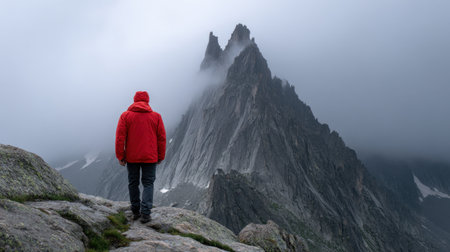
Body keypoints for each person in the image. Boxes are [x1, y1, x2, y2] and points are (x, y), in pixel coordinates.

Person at [115, 91, 166, 223]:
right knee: (148, 183)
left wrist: (120, 156)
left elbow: (120, 138)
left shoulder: (125, 116)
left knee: (133, 183)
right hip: (150, 157)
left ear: (134, 101)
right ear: (147, 101)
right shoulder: (156, 117)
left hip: (132, 157)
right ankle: (146, 214)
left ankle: (135, 211)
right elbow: (161, 139)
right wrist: (160, 156)